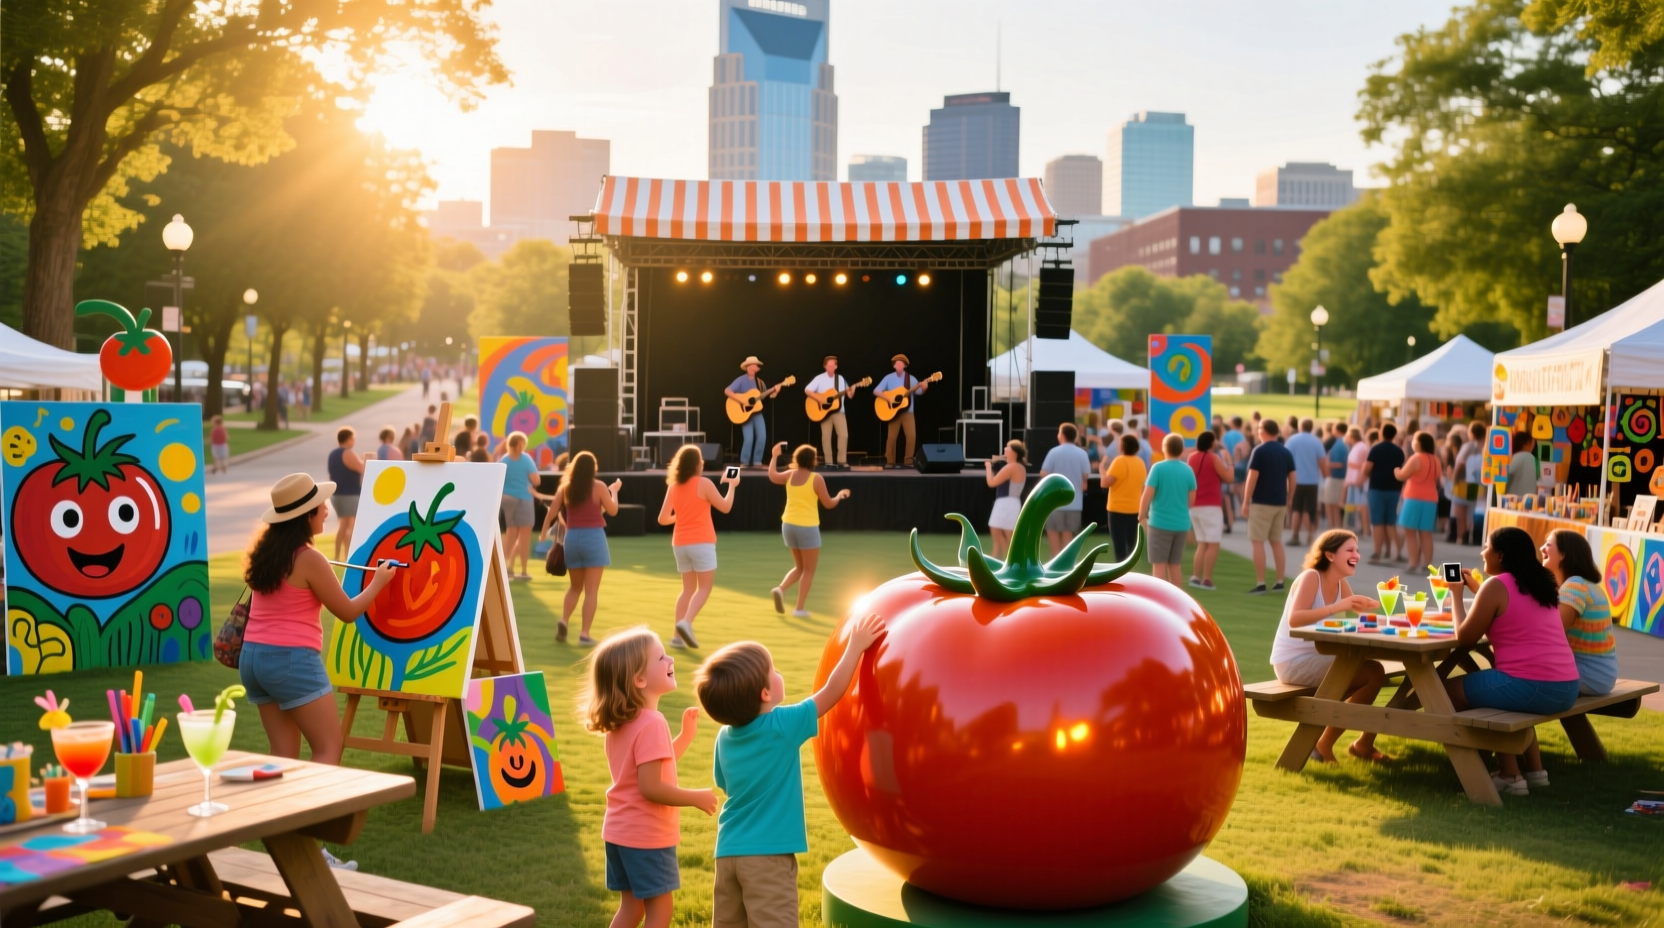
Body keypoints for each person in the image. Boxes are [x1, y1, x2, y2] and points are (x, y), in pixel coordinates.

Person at [695, 614, 887, 928]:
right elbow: (831, 692)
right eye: (774, 671)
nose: (779, 673)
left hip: (727, 852)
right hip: (767, 857)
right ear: (765, 694)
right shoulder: (782, 726)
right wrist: (855, 646)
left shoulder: (724, 737)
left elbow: (724, 783)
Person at [243, 474, 398, 774]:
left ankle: (277, 818)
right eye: (321, 505)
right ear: (305, 516)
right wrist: (378, 581)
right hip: (290, 660)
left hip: (253, 659)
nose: (327, 509)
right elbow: (348, 611)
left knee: (282, 752)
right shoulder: (310, 559)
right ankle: (311, 818)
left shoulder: (266, 555)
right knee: (328, 748)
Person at [581, 628, 717, 928]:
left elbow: (652, 767)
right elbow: (651, 786)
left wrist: (685, 737)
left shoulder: (620, 723)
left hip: (618, 832)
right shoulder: (652, 723)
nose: (670, 658)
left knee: (631, 910)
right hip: (646, 836)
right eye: (660, 657)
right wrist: (694, 797)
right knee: (659, 910)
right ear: (639, 680)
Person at [1445, 527, 1580, 795]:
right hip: (1566, 687)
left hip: (1534, 687)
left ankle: (1510, 775)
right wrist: (1477, 589)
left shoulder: (1496, 586)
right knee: (1497, 693)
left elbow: (1465, 638)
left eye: (1487, 547)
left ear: (1501, 554)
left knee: (1446, 692)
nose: (1483, 552)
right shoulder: (1542, 582)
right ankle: (1534, 771)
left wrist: (1455, 595)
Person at [1269, 531, 1390, 763]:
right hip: (1294, 663)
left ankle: (1359, 743)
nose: (1357, 555)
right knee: (1373, 673)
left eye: (1357, 550)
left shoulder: (1340, 583)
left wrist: (1379, 612)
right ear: (1330, 555)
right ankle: (1328, 744)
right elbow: (1296, 618)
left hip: (1321, 658)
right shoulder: (1311, 578)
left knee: (1374, 671)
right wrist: (1339, 607)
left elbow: (1356, 617)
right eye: (1350, 550)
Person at [658, 444, 738, 649]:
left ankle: (677, 636)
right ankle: (686, 622)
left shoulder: (673, 486)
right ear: (697, 464)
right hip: (702, 542)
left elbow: (663, 518)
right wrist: (732, 485)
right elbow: (726, 507)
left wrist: (683, 516)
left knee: (687, 589)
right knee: (704, 588)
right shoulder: (704, 483)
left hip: (680, 544)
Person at [544, 450, 622, 646]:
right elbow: (612, 510)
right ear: (593, 468)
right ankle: (584, 634)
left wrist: (544, 532)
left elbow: (552, 512)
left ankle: (564, 619)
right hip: (593, 537)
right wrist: (614, 491)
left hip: (572, 539)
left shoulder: (566, 488)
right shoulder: (599, 486)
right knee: (591, 591)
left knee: (575, 587)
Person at [767, 442, 851, 617]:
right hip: (807, 528)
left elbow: (773, 476)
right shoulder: (816, 479)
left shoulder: (790, 475)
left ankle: (781, 589)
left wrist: (774, 456)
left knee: (799, 567)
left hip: (788, 525)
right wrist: (840, 496)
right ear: (812, 460)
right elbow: (828, 503)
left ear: (797, 459)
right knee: (809, 570)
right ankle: (799, 608)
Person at [1542, 530, 1617, 696]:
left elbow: (1554, 633)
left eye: (1548, 544)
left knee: (1517, 677)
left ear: (1563, 554)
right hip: (1600, 675)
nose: (1542, 549)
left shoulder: (1575, 586)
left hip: (1588, 675)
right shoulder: (1584, 585)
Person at [1242, 419, 1296, 593]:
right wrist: (1290, 498)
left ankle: (1261, 583)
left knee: (1257, 542)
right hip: (1280, 502)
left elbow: (1252, 477)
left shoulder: (1259, 451)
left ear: (1264, 431)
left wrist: (1245, 500)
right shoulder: (1285, 452)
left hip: (1261, 502)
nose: (1257, 431)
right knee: (1276, 542)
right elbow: (1293, 478)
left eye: (1259, 428)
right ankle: (1280, 581)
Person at [1141, 433, 1197, 585]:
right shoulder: (1188, 470)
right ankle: (1177, 603)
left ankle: (1160, 603)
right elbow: (1191, 501)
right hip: (1181, 524)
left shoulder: (1158, 468)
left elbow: (1148, 494)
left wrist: (1141, 514)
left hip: (1159, 523)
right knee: (1175, 566)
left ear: (1164, 449)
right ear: (1182, 449)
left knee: (1159, 566)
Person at [1039, 423, 1093, 558]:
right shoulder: (1082, 453)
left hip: (1054, 502)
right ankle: (1066, 566)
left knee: (1052, 533)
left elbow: (1044, 473)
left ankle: (1054, 566)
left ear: (1062, 435)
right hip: (1074, 502)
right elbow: (1085, 479)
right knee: (1068, 536)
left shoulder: (1053, 452)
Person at [1187, 430, 1232, 589]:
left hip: (1195, 506)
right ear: (1211, 443)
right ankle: (1207, 579)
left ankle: (1195, 576)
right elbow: (1229, 477)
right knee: (1213, 543)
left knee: (1202, 543)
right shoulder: (1213, 458)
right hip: (1211, 506)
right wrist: (1229, 461)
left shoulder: (1192, 457)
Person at [498, 431, 545, 580]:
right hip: (524, 499)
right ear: (522, 443)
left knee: (510, 534)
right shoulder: (526, 459)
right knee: (524, 536)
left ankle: (506, 568)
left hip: (506, 500)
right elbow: (536, 480)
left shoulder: (504, 460)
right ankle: (523, 571)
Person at [1394, 431, 1442, 574]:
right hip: (1431, 499)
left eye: (1414, 440)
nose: (1412, 442)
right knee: (1426, 533)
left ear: (1419, 443)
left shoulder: (1416, 458)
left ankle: (1413, 563)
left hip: (1414, 498)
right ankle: (1427, 565)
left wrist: (1396, 470)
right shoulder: (1436, 459)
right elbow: (1438, 476)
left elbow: (1402, 475)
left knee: (1410, 532)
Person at [726, 356, 784, 468]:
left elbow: (767, 396)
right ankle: (745, 461)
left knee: (762, 436)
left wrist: (775, 390)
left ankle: (757, 461)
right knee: (749, 438)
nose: (753, 367)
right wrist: (742, 400)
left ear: (757, 368)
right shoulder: (741, 380)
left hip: (757, 413)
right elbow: (727, 391)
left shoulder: (760, 383)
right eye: (751, 365)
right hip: (745, 414)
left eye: (754, 365)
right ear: (747, 367)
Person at [803, 355, 859, 467]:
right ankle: (829, 463)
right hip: (824, 412)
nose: (831, 367)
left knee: (844, 435)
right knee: (826, 437)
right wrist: (821, 400)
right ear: (825, 366)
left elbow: (850, 395)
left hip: (839, 411)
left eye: (833, 365)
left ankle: (842, 461)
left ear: (836, 366)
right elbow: (807, 390)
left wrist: (854, 388)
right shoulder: (819, 378)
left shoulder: (841, 379)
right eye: (829, 365)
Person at [1362, 422, 1406, 564]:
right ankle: (1395, 551)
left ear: (1382, 433)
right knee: (1390, 522)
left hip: (1377, 488)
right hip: (1394, 489)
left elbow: (1366, 469)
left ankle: (1377, 552)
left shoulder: (1375, 449)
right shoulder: (1399, 451)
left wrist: (1371, 475)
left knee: (1378, 521)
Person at [875, 354, 928, 467]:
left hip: (908, 412)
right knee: (891, 438)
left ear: (904, 365)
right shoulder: (888, 378)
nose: (899, 364)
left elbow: (919, 393)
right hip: (893, 412)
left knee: (911, 436)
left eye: (901, 363)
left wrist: (924, 388)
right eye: (897, 363)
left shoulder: (911, 379)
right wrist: (889, 398)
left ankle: (908, 462)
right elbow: (876, 391)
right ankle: (890, 462)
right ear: (894, 366)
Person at [1101, 433, 1147, 562]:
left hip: (1117, 509)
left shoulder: (1119, 461)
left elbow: (1105, 483)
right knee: (1131, 544)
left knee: (1119, 546)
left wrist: (1102, 472)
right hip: (1134, 508)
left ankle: (1121, 571)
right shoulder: (1140, 463)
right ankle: (1130, 571)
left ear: (1123, 446)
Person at [1285, 418, 1326, 547]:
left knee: (1296, 508)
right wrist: (1325, 475)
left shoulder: (1292, 440)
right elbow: (1322, 461)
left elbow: (1286, 458)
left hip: (1296, 479)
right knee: (1310, 509)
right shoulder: (1317, 441)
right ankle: (1311, 535)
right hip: (1312, 480)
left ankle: (1295, 535)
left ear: (1299, 426)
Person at [984, 440, 1028, 559]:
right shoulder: (1020, 467)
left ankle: (996, 557)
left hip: (1005, 503)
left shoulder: (1011, 467)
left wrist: (988, 467)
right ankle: (1006, 560)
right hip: (1013, 502)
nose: (1005, 450)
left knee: (997, 531)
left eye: (1008, 449)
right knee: (1006, 534)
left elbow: (991, 483)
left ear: (1014, 452)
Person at [326, 428, 364, 561]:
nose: (354, 441)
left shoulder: (332, 454)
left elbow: (331, 474)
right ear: (347, 439)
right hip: (349, 494)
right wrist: (366, 460)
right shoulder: (348, 453)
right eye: (352, 439)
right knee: (350, 526)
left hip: (337, 494)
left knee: (342, 525)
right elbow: (361, 467)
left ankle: (338, 556)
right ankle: (347, 556)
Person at [1321, 423, 1350, 532]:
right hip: (1341, 478)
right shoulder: (1345, 442)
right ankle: (1336, 527)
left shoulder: (1338, 444)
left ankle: (1333, 527)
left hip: (1335, 477)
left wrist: (1328, 463)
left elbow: (1340, 463)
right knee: (1335, 505)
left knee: (1330, 503)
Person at [1346, 427, 1375, 536]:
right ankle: (1361, 528)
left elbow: (1366, 465)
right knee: (1357, 507)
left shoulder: (1362, 447)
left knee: (1362, 507)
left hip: (1360, 482)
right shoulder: (1356, 447)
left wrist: (1361, 478)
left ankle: (1366, 530)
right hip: (1354, 481)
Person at [1508, 432, 1540, 498]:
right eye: (1532, 443)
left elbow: (1508, 473)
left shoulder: (1511, 458)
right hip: (1529, 499)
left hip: (1511, 497)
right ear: (1526, 444)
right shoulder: (1534, 459)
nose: (1533, 446)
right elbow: (1538, 476)